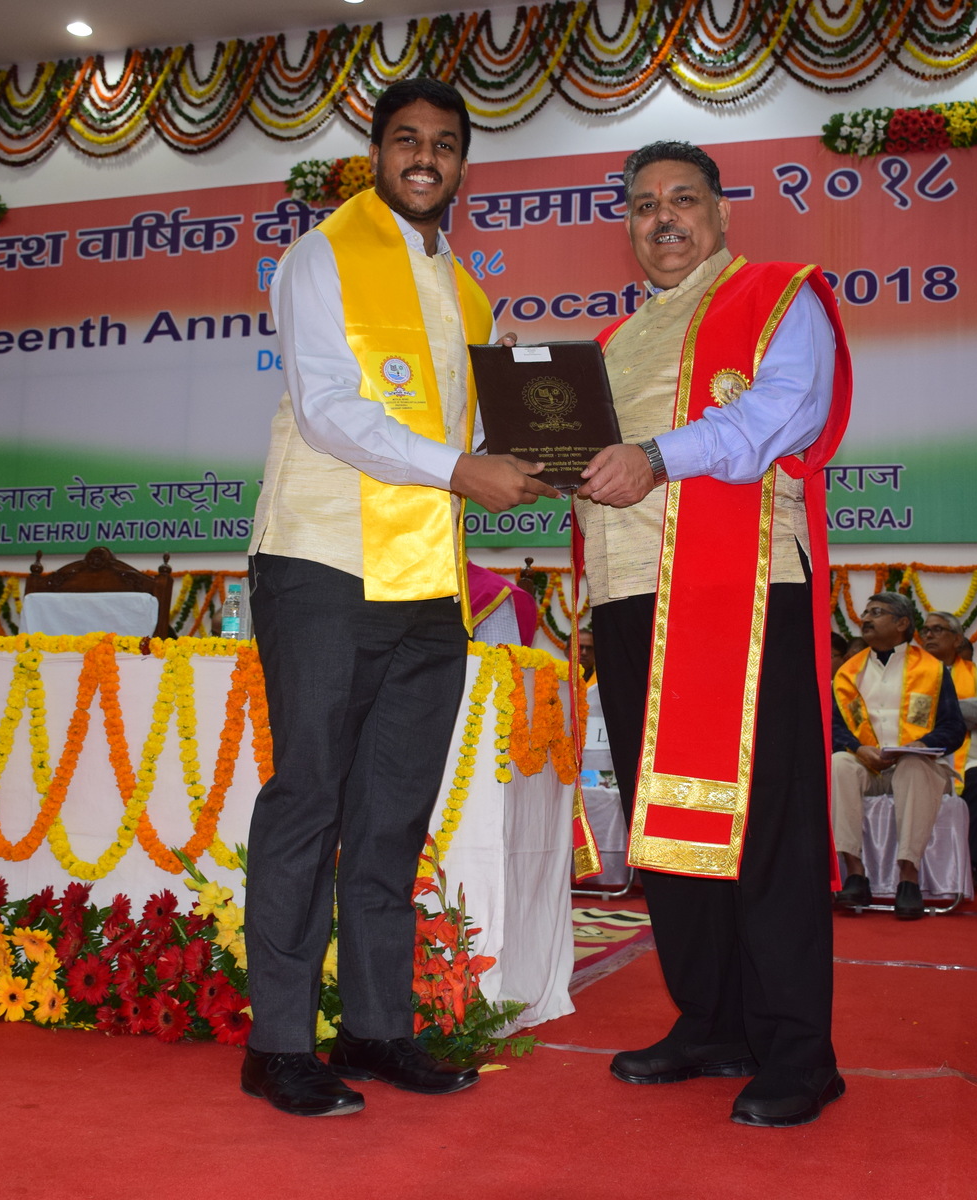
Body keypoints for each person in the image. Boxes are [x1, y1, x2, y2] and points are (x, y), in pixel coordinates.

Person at [240, 78, 555, 1118]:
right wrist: (464, 469)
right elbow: (329, 411)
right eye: (407, 140)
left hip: (429, 583)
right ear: (376, 152)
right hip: (325, 562)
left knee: (390, 817)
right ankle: (279, 1045)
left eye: (446, 144)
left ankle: (376, 1029)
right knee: (310, 800)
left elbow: (472, 431)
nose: (426, 157)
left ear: (463, 163)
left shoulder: (466, 292)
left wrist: (536, 453)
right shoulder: (321, 255)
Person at [574, 141, 851, 1127]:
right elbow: (595, 461)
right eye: (643, 204)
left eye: (682, 199)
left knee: (767, 824)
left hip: (741, 588)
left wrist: (653, 457)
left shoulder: (778, 298)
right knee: (665, 821)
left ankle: (798, 1052)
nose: (663, 218)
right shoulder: (613, 342)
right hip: (627, 594)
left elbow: (782, 416)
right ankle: (711, 1020)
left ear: (722, 212)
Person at [831, 592, 965, 919]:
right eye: (865, 612)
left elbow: (953, 727)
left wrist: (923, 744)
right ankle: (855, 873)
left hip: (915, 764)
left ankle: (909, 877)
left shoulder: (932, 669)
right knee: (838, 764)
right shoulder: (848, 672)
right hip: (868, 765)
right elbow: (834, 726)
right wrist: (858, 748)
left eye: (876, 612)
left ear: (902, 623)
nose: (865, 618)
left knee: (913, 766)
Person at [917, 611, 977, 881]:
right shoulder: (912, 673)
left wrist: (943, 710)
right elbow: (908, 716)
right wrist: (967, 715)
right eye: (925, 630)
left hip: (970, 761)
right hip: (923, 756)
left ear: (957, 639)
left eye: (937, 629)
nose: (929, 635)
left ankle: (964, 866)